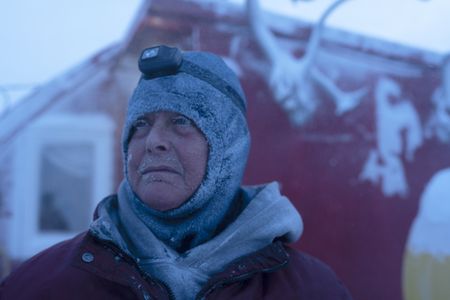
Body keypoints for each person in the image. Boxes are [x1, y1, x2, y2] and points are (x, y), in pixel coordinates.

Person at [0, 45, 352, 299]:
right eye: (140, 125)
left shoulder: (311, 290)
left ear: (228, 147)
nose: (153, 142)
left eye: (181, 122)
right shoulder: (42, 286)